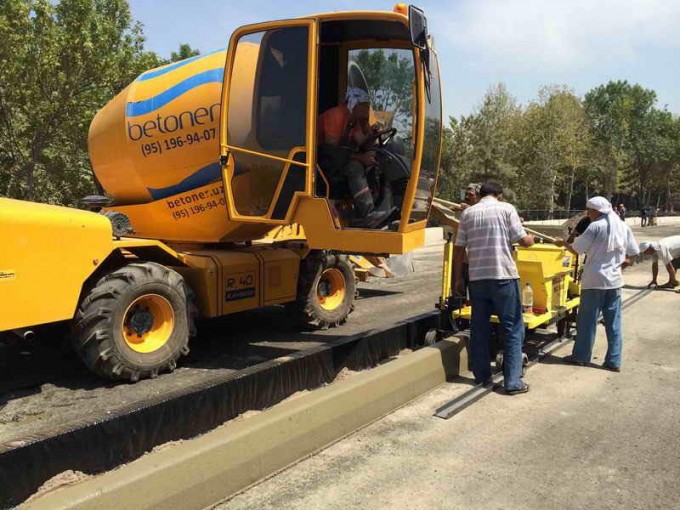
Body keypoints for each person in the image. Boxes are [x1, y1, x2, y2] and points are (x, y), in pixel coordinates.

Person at [453, 181, 535, 394]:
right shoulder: (507, 208)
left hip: (477, 278)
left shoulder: (468, 214)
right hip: (503, 277)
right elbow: (523, 241)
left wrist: (457, 280)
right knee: (512, 328)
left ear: (479, 194)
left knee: (479, 328)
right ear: (499, 194)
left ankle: (482, 377)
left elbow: (459, 248)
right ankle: (513, 382)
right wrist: (531, 238)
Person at [555, 196, 639, 372]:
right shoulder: (623, 226)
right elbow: (631, 254)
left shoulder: (595, 226)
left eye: (589, 211)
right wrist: (618, 267)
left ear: (595, 211)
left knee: (587, 322)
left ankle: (581, 356)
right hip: (614, 282)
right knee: (613, 323)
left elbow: (577, 249)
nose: (587, 214)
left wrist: (562, 243)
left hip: (594, 281)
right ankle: (614, 361)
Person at [317, 87, 391, 227]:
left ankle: (368, 209)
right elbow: (331, 153)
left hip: (336, 159)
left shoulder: (353, 120)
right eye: (365, 107)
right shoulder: (335, 116)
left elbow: (360, 140)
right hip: (319, 162)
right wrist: (361, 158)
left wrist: (369, 130)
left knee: (374, 165)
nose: (367, 111)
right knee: (355, 168)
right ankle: (369, 215)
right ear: (355, 104)